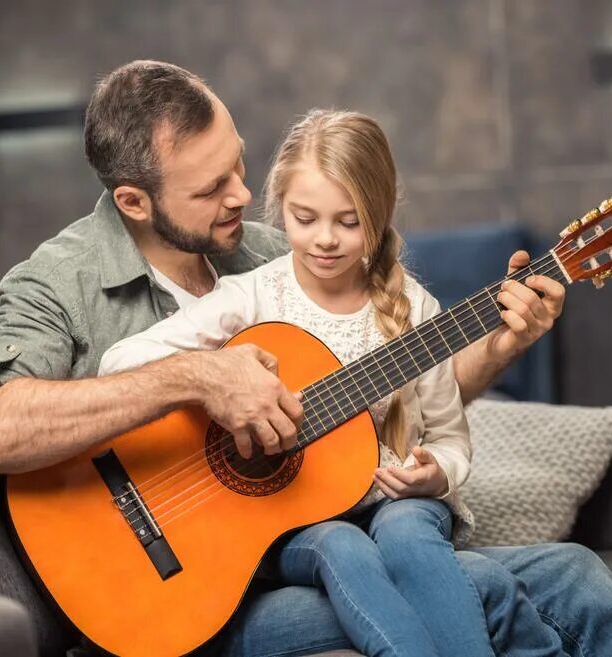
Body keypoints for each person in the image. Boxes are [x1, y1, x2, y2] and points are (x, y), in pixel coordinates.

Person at [0, 60, 612, 657]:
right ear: (135, 202)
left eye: (238, 165)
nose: (243, 196)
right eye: (211, 188)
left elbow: (407, 384)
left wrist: (498, 346)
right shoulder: (60, 281)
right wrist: (197, 377)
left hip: (321, 532)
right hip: (183, 586)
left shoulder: (274, 251)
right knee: (475, 589)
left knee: (573, 573)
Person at [98, 108, 571, 657]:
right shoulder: (253, 297)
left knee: (407, 532)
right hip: (294, 520)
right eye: (304, 218)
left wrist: (436, 473)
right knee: (340, 543)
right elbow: (120, 362)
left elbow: (449, 436)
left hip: (396, 500)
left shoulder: (415, 309)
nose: (324, 239)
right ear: (280, 206)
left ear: (380, 214)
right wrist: (210, 378)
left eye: (348, 223)